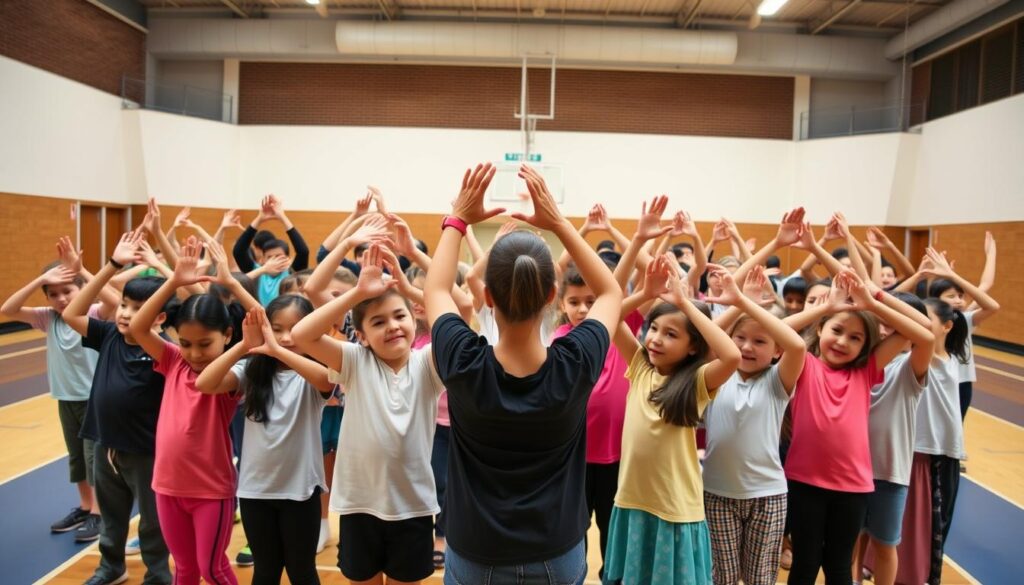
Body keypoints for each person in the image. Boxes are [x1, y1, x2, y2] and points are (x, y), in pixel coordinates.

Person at [424, 164, 622, 584]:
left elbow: (436, 289)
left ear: (487, 296)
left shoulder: (462, 361)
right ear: (552, 295)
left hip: (476, 553)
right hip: (557, 554)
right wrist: (559, 222)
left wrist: (457, 219)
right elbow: (610, 291)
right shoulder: (576, 362)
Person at [293, 243, 444, 585]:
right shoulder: (355, 361)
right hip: (359, 505)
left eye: (400, 316)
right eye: (378, 321)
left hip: (413, 506)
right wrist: (358, 293)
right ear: (361, 336)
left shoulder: (428, 363)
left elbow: (459, 314)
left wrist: (408, 288)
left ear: (414, 319)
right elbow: (302, 335)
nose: (392, 326)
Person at [781, 267, 934, 585]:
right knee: (805, 563)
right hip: (804, 483)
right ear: (820, 328)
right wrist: (826, 307)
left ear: (866, 346)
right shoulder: (804, 363)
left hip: (852, 488)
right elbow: (778, 330)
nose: (842, 341)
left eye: (855, 338)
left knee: (839, 566)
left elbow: (925, 332)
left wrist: (874, 299)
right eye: (836, 330)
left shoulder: (865, 372)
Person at [602, 243, 742, 584]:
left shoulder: (696, 382)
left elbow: (731, 356)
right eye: (654, 328)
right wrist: (646, 293)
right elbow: (610, 315)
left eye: (670, 334)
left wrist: (685, 304)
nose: (656, 339)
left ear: (693, 347)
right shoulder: (640, 367)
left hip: (675, 509)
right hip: (633, 502)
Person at [128, 238, 258, 585]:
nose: (195, 353)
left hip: (210, 490)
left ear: (227, 335)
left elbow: (264, 325)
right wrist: (173, 280)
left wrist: (243, 343)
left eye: (205, 344)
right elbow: (138, 328)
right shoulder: (172, 360)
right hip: (167, 485)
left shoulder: (232, 372)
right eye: (185, 343)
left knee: (212, 569)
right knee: (184, 569)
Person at [196, 298, 333, 585]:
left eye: (295, 329)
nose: (285, 337)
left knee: (302, 571)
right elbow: (204, 384)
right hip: (256, 492)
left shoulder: (310, 374)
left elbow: (326, 381)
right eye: (277, 329)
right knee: (266, 571)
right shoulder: (252, 372)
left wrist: (276, 349)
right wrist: (244, 346)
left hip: (300, 491)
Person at [63, 231, 173, 585]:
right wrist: (110, 266)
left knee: (153, 520)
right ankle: (112, 567)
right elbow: (71, 312)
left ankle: (158, 574)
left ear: (159, 318)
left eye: (139, 309)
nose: (126, 314)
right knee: (111, 516)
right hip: (104, 441)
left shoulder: (163, 350)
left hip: (146, 450)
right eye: (125, 305)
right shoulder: (109, 334)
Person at [1, 238, 118, 540]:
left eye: (68, 291)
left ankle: (99, 513)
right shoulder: (48, 317)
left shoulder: (93, 313)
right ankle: (85, 505)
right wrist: (41, 279)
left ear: (81, 290)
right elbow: (8, 309)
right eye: (53, 294)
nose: (61, 299)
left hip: (94, 399)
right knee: (77, 456)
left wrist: (83, 272)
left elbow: (115, 302)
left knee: (94, 458)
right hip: (65, 399)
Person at [702, 265, 808, 585]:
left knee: (760, 579)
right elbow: (704, 337)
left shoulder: (777, 381)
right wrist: (739, 304)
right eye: (740, 338)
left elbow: (798, 346)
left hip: (767, 496)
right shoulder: (716, 373)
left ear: (776, 351)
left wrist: (746, 303)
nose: (747, 347)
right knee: (721, 577)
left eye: (760, 341)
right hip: (716, 493)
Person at [550, 262, 644, 578]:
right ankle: (572, 576)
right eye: (574, 301)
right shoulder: (561, 338)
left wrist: (638, 241)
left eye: (592, 301)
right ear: (561, 304)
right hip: (574, 458)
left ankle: (613, 578)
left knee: (612, 528)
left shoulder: (620, 331)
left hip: (616, 457)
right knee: (573, 530)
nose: (583, 309)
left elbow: (615, 293)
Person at [851, 291, 935, 585]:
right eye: (880, 322)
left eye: (895, 325)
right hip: (850, 471)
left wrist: (875, 299)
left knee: (885, 546)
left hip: (889, 474)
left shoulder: (908, 367)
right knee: (849, 543)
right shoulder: (856, 364)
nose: (886, 329)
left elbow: (926, 334)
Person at [232, 194, 310, 306]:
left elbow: (303, 251)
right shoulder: (256, 271)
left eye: (278, 256)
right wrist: (259, 219)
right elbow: (239, 251)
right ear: (262, 259)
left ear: (287, 258)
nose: (274, 261)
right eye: (269, 257)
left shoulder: (291, 273)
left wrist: (282, 217)